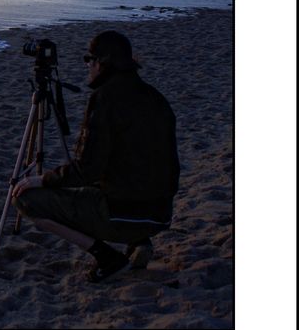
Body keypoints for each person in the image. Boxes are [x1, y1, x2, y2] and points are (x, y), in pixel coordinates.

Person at [11, 30, 180, 282]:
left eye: (89, 59)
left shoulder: (105, 98)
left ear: (102, 62)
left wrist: (42, 180)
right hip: (160, 214)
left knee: (26, 199)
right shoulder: (156, 97)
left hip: (123, 214)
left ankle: (107, 257)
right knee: (116, 175)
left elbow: (86, 168)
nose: (87, 65)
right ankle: (139, 242)